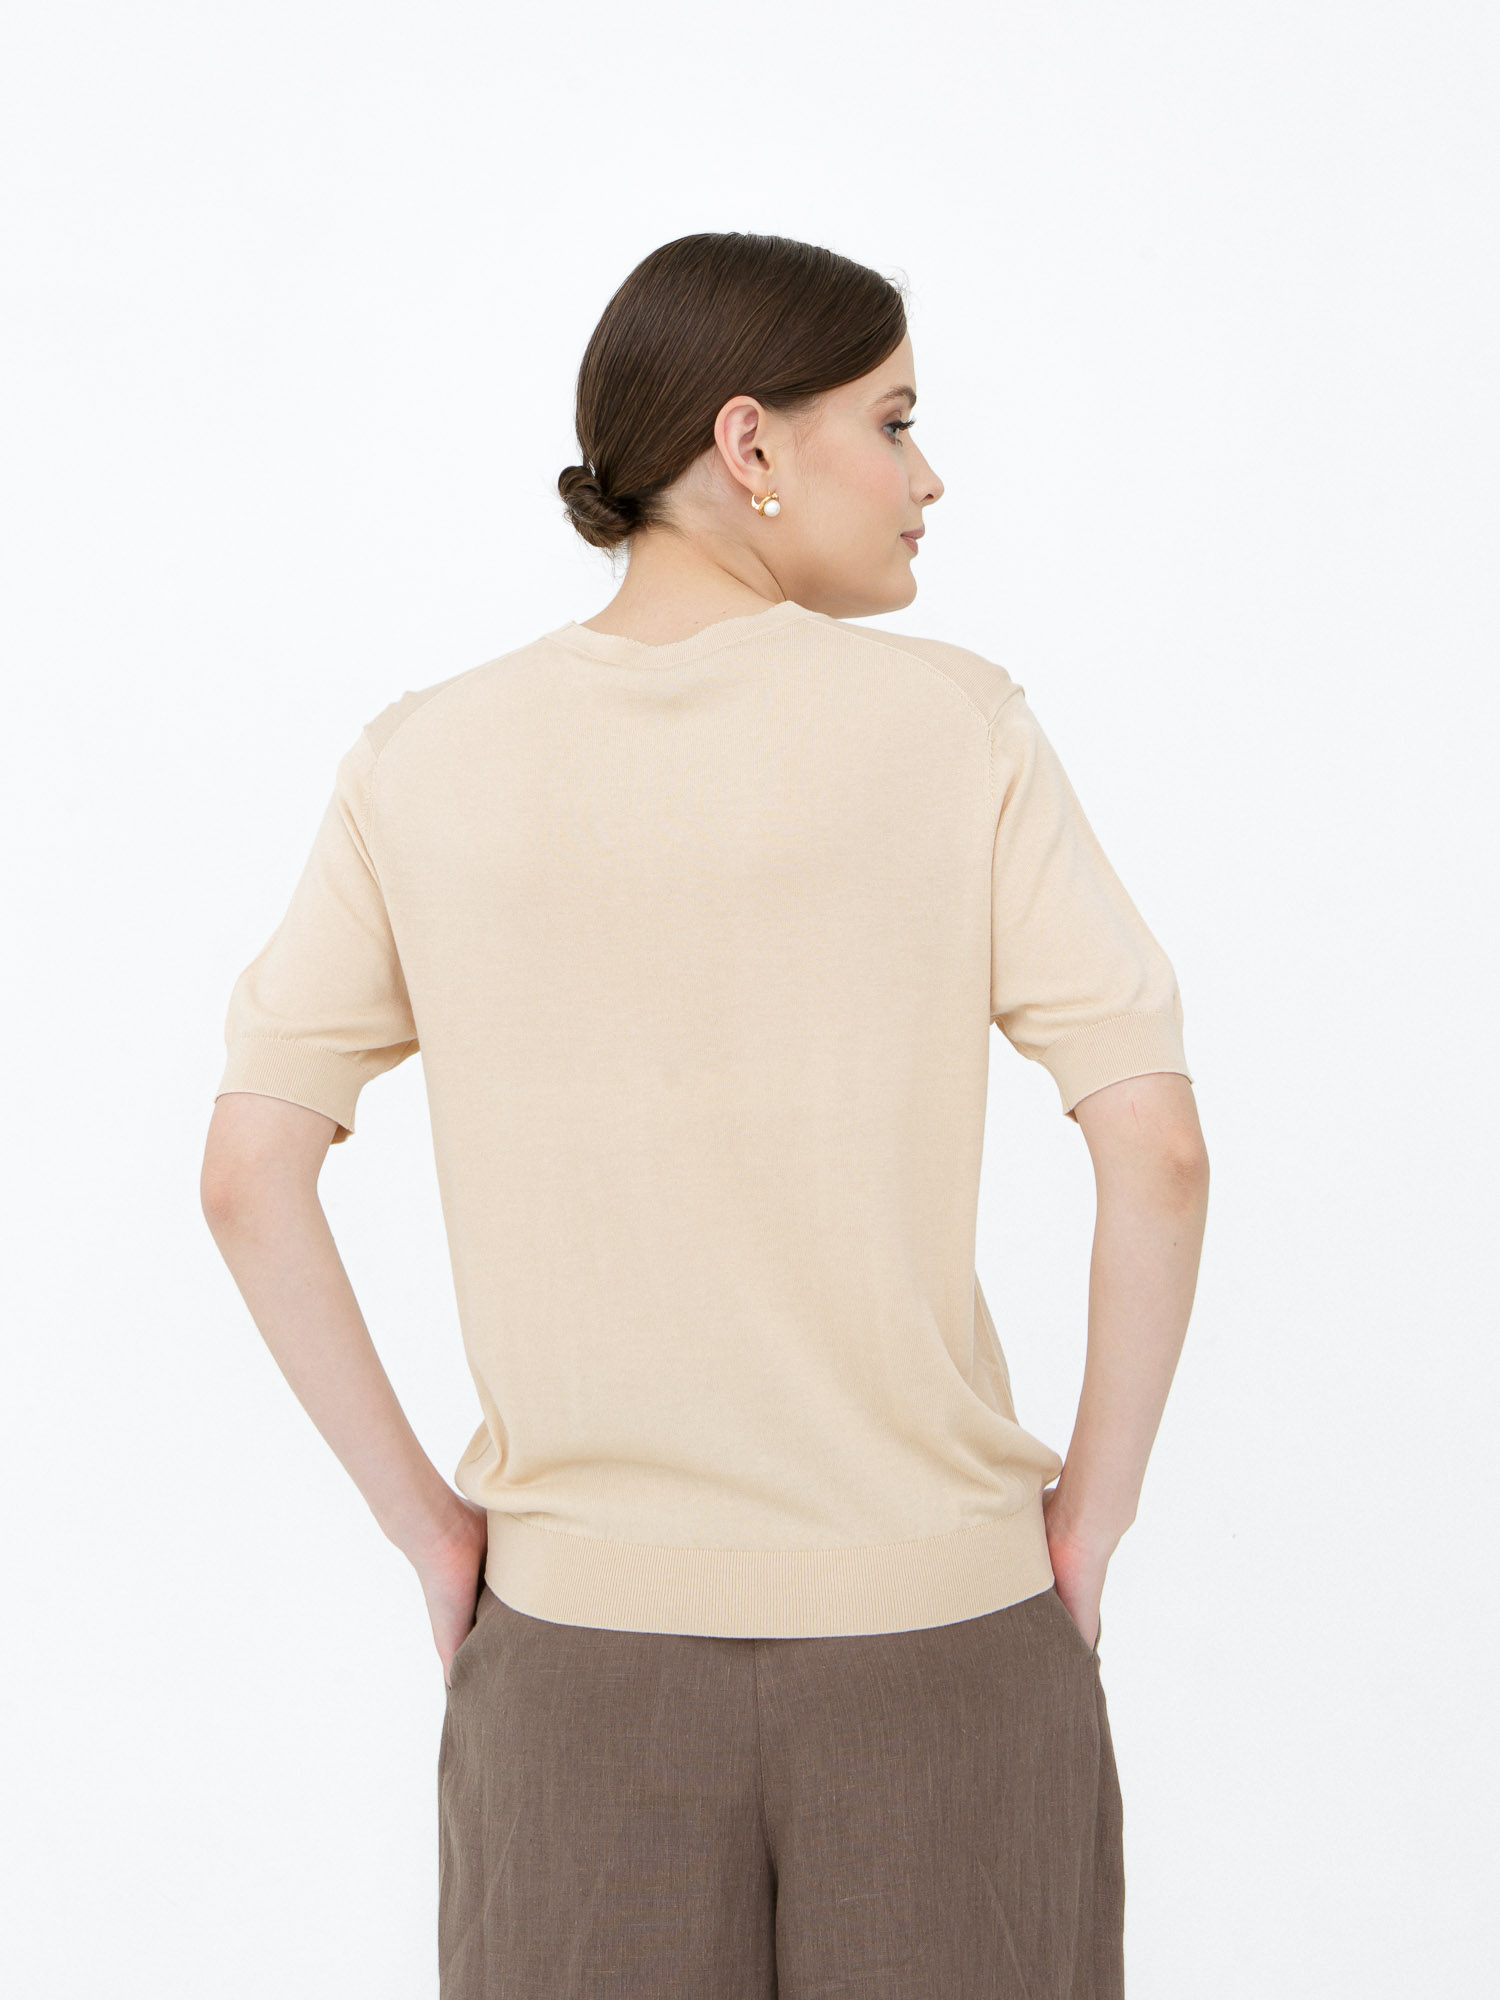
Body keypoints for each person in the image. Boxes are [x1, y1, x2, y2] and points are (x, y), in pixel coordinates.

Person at [201, 230, 1210, 1999]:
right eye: (894, 421)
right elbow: (1158, 1151)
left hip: (574, 1660)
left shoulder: (423, 761)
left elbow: (249, 1174)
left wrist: (437, 1536)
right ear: (749, 445)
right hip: (944, 1638)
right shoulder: (956, 727)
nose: (928, 478)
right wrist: (1089, 1525)